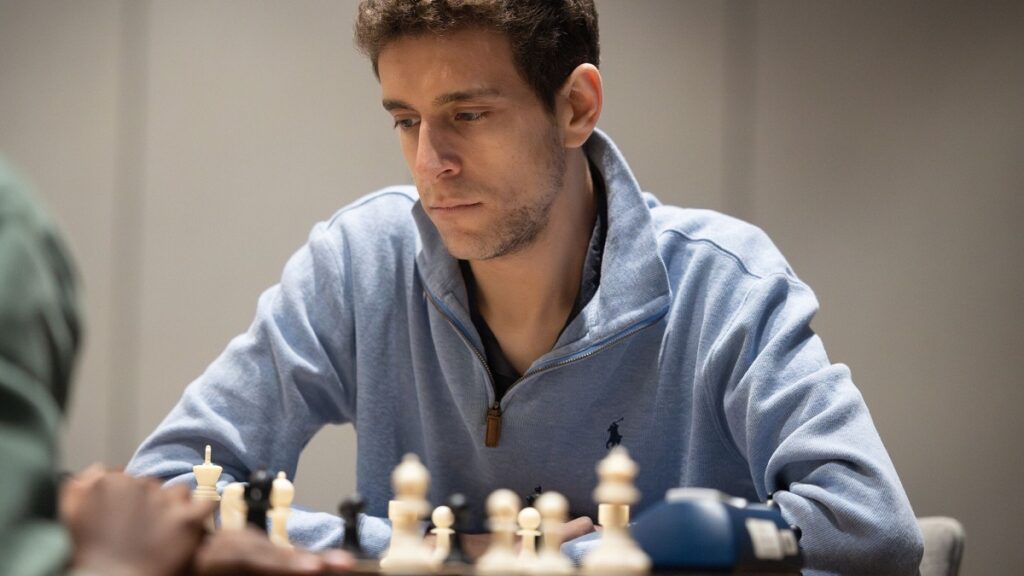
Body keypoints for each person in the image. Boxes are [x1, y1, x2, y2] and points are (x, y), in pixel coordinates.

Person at [127, 1, 924, 573]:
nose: (430, 164)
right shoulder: (358, 265)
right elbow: (159, 490)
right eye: (405, 120)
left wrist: (578, 560)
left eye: (468, 115)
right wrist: (441, 551)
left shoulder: (724, 286)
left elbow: (873, 528)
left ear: (575, 107)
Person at [0, 156, 353, 575]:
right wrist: (117, 565)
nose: (421, 160)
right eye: (404, 124)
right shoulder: (12, 228)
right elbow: (169, 476)